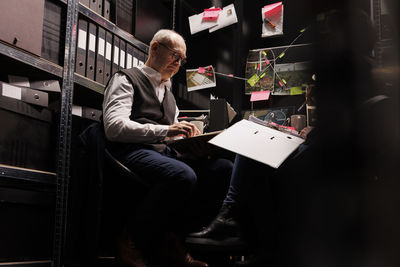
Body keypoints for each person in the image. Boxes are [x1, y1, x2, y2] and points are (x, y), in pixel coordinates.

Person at [102, 29, 233, 267]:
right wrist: (166, 131)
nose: (179, 63)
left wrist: (193, 146)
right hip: (130, 151)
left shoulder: (168, 92)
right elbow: (113, 127)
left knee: (222, 168)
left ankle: (174, 238)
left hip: (162, 152)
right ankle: (130, 239)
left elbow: (169, 140)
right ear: (154, 48)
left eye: (182, 59)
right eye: (175, 55)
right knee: (182, 175)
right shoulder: (126, 79)